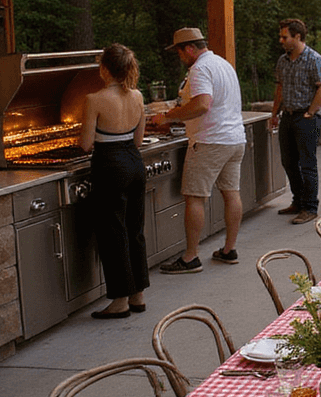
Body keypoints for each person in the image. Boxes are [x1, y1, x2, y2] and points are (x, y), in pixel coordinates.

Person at [152, 28, 246, 272]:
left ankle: (191, 257)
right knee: (231, 193)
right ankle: (229, 249)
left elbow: (203, 104)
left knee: (195, 197)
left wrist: (167, 117)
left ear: (190, 49)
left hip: (210, 140)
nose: (180, 57)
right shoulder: (223, 64)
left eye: (180, 52)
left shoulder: (200, 69)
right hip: (235, 139)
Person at [79, 44, 149, 317]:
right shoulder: (138, 96)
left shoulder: (94, 99)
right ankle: (138, 294)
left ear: (104, 68)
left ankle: (119, 301)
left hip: (109, 165)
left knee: (113, 233)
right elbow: (139, 140)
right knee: (135, 230)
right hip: (134, 162)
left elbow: (86, 144)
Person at [271, 19, 321, 225]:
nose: (281, 40)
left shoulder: (314, 59)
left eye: (284, 37)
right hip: (287, 116)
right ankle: (298, 200)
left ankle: (310, 207)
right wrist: (274, 113)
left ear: (297, 37)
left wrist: (311, 111)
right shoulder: (283, 61)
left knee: (307, 164)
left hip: (305, 117)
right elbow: (279, 88)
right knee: (288, 161)